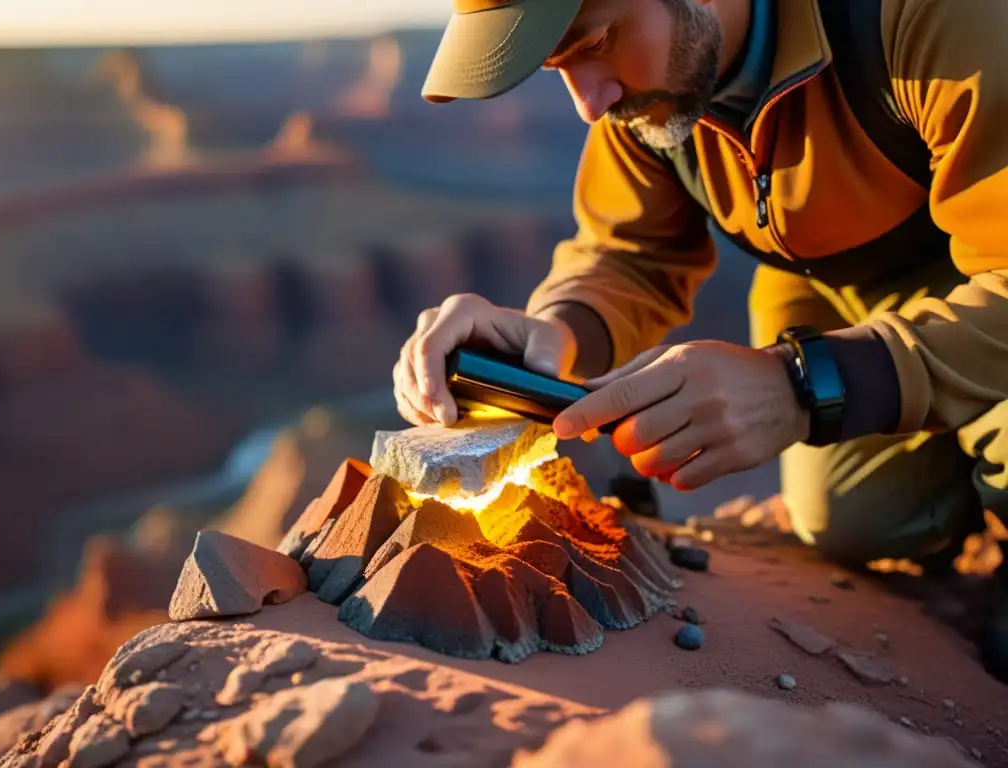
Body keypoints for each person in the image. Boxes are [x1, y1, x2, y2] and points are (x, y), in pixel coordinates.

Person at [392, 0, 1008, 682]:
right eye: (557, 66)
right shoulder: (651, 91)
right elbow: (631, 255)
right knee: (859, 523)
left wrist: (803, 385)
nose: (590, 106)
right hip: (838, 281)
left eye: (596, 43)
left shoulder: (928, 16)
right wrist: (555, 329)